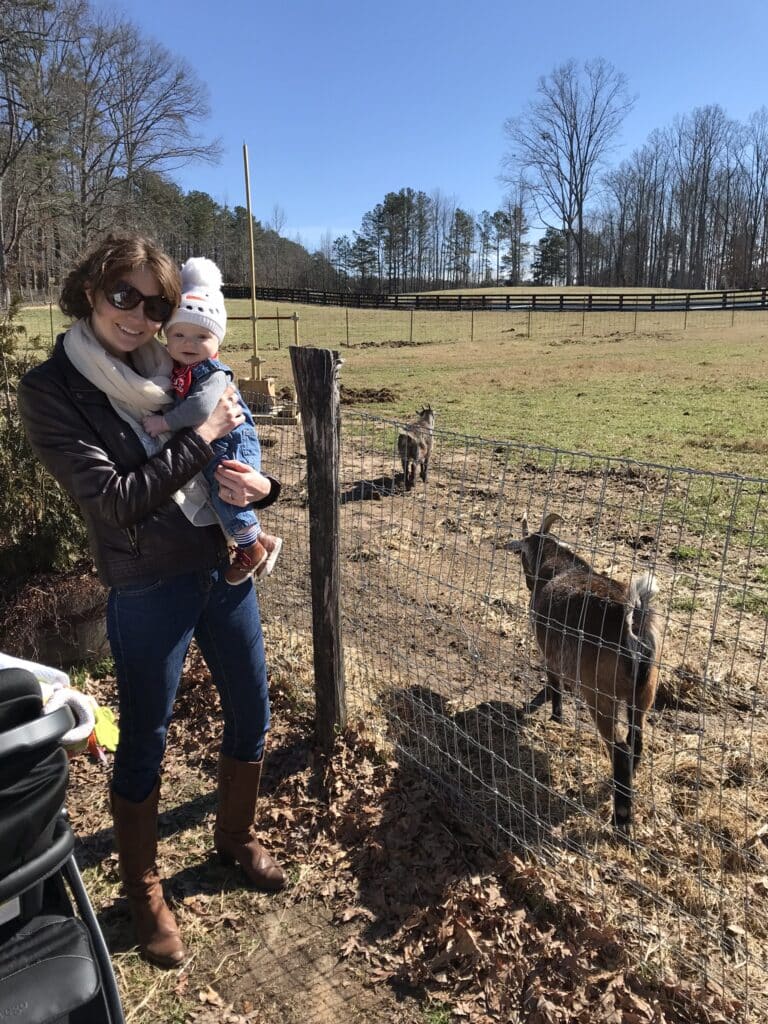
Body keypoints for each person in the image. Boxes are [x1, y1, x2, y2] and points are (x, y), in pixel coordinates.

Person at [17, 235, 286, 972]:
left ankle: (232, 839)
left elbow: (244, 445)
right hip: (145, 584)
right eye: (123, 296)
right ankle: (142, 889)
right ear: (89, 292)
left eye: (156, 303)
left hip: (221, 572)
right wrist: (201, 434)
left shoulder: (180, 363)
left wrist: (267, 492)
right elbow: (113, 502)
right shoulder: (54, 389)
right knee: (145, 740)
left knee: (253, 714)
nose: (138, 316)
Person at [142, 256, 281, 586]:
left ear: (218, 340)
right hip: (215, 446)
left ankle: (251, 549)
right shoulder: (179, 373)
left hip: (232, 443)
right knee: (222, 493)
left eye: (201, 337)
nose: (189, 344)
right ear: (166, 338)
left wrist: (164, 423)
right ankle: (263, 541)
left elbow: (201, 409)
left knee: (227, 494)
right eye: (179, 335)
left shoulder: (212, 375)